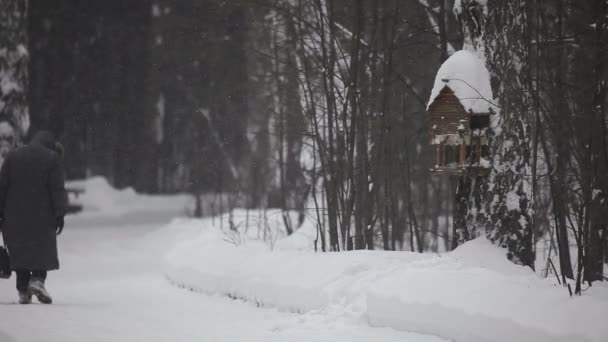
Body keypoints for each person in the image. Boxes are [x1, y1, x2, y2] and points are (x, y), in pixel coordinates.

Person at [0, 131, 67, 304]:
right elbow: (57, 189)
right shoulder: (52, 159)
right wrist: (60, 214)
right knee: (41, 249)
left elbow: (2, 187)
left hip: (13, 215)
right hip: (42, 215)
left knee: (20, 250)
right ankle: (37, 280)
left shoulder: (13, 156)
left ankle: (23, 289)